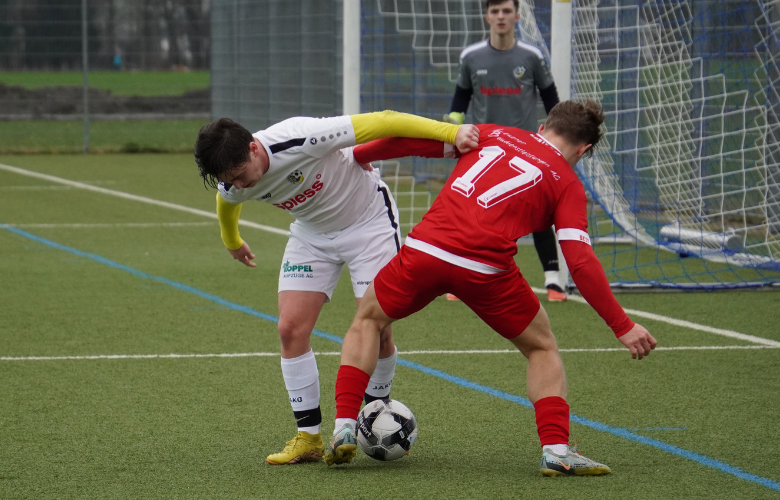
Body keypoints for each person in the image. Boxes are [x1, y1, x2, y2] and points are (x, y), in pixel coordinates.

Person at [322, 100, 658, 476]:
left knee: (368, 320)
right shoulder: (567, 183)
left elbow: (413, 141)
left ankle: (344, 427)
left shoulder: (493, 133)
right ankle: (556, 451)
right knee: (542, 347)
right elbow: (579, 261)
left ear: (543, 126)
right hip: (485, 269)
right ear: (584, 150)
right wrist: (621, 325)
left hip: (426, 250)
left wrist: (362, 155)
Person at [194, 111, 479, 465]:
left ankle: (375, 415)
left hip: (368, 225)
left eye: (239, 175)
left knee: (379, 329)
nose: (238, 185)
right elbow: (225, 203)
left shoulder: (300, 137)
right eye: (229, 180)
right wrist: (232, 241)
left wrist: (451, 133)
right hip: (312, 236)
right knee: (289, 329)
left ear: (253, 149)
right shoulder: (232, 183)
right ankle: (308, 438)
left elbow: (385, 121)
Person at [445, 0, 567, 301]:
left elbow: (552, 102)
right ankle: (461, 281)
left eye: (506, 11)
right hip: (484, 149)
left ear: (516, 16)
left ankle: (554, 281)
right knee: (472, 212)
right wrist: (453, 130)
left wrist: (556, 140)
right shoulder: (471, 57)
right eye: (495, 11)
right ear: (487, 16)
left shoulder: (532, 57)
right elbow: (459, 103)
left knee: (538, 212)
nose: (501, 16)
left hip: (526, 150)